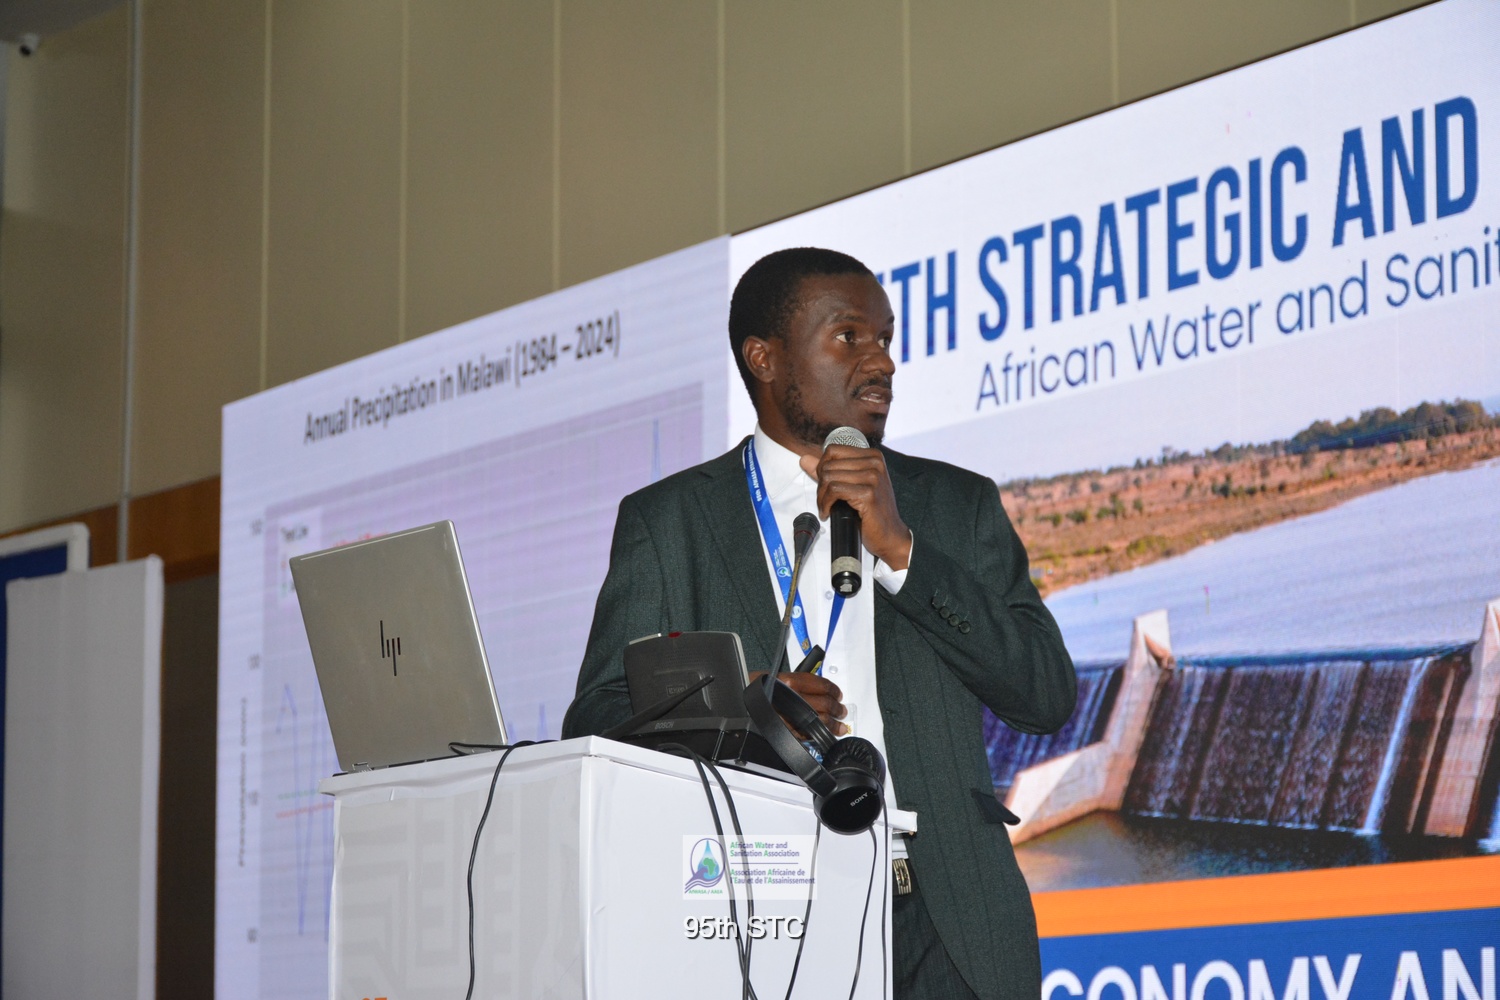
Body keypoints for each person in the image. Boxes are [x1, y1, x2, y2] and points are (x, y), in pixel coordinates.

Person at [563, 247, 1076, 1000]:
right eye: (849, 337)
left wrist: (903, 552)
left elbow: (1046, 694)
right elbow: (597, 718)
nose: (882, 362)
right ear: (765, 359)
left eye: (886, 338)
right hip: (766, 919)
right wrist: (739, 715)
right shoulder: (671, 521)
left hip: (952, 925)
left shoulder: (956, 506)